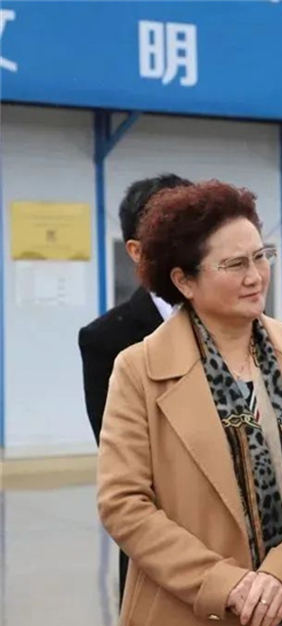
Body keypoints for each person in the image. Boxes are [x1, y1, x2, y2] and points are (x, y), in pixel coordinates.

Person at [96, 180, 282, 626]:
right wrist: (225, 584)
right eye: (235, 264)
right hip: (188, 623)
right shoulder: (139, 370)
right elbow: (124, 502)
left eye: (261, 257)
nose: (255, 276)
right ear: (184, 281)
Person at [79, 173, 191, 604]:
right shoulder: (107, 340)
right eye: (171, 234)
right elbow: (125, 470)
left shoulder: (240, 325)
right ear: (136, 250)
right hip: (162, 555)